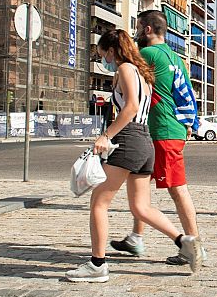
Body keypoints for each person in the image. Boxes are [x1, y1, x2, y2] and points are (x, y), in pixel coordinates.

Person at [65, 30, 199, 282]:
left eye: (102, 53)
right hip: (145, 141)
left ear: (112, 50)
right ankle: (184, 241)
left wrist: (106, 136)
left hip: (129, 139)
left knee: (99, 202)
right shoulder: (143, 75)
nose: (102, 59)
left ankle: (97, 265)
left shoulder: (126, 69)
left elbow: (131, 107)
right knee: (140, 206)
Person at [110, 10, 206, 270]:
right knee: (138, 185)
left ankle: (194, 246)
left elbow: (123, 76)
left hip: (161, 130)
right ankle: (136, 237)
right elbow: (185, 94)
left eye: (138, 27)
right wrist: (190, 123)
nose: (136, 33)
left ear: (149, 30)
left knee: (177, 190)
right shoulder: (175, 57)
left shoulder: (148, 55)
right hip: (167, 129)